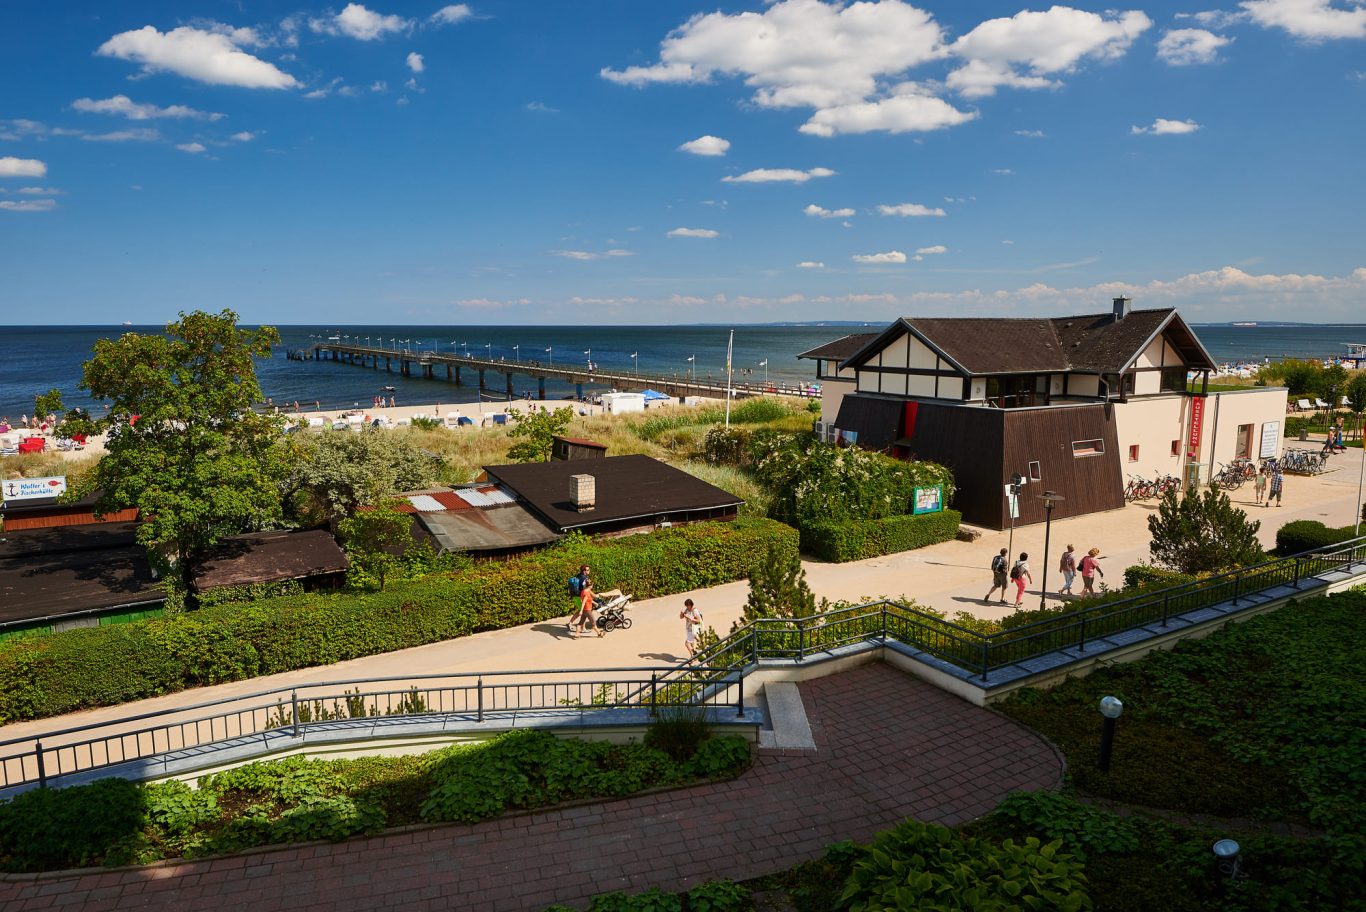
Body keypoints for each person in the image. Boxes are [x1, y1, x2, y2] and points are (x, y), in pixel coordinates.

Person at [566, 564, 590, 632]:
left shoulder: (578, 575)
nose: (589, 571)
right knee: (584, 611)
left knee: (580, 611)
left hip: (575, 596)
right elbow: (584, 589)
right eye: (588, 570)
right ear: (584, 571)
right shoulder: (585, 578)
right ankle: (582, 628)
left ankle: (571, 623)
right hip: (579, 596)